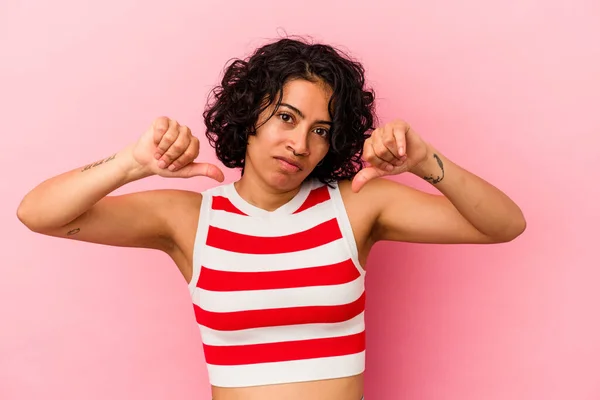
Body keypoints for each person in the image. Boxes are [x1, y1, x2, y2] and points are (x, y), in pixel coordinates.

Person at [17, 37, 526, 400]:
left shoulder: (355, 205)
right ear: (249, 114)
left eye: (320, 129)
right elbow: (38, 213)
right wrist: (131, 163)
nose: (300, 144)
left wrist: (425, 162)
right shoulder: (191, 218)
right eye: (287, 117)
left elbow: (504, 225)